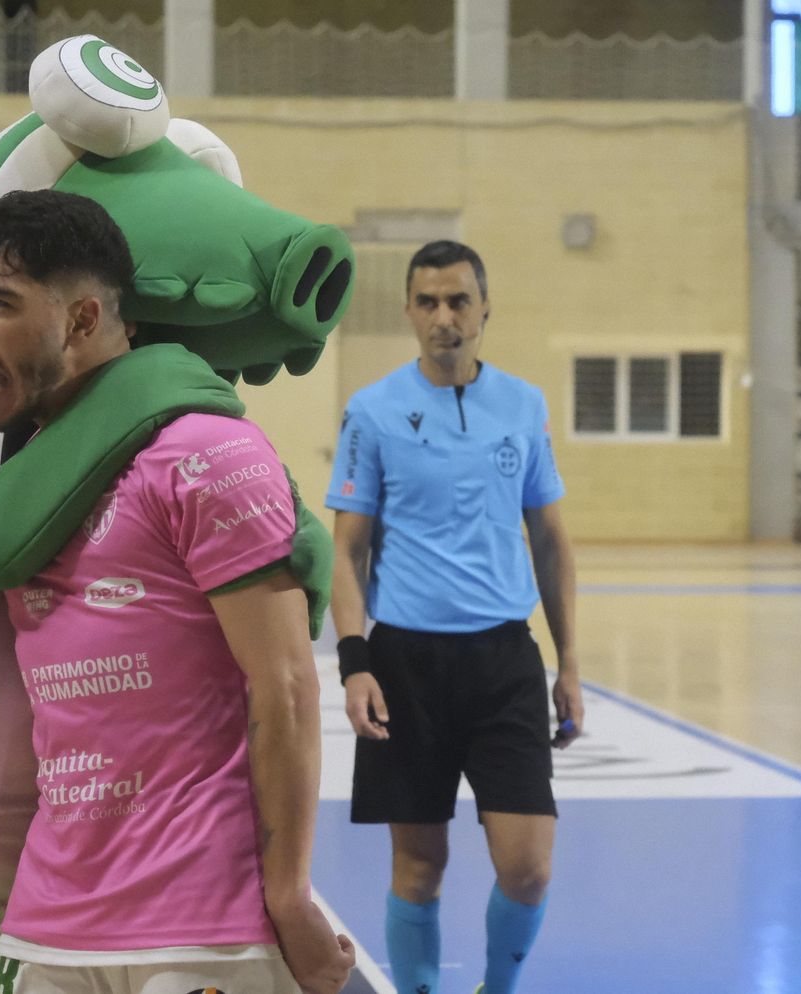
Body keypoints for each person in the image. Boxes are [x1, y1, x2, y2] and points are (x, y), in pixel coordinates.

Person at [0, 190, 354, 994]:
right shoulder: (22, 488)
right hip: (54, 921)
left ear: (84, 320)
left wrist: (290, 894)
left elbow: (288, 684)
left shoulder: (204, 452)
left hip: (205, 924)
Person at [324, 240, 584, 994]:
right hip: (407, 663)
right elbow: (347, 552)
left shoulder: (523, 406)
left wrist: (567, 664)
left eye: (459, 301)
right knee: (418, 865)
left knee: (529, 867)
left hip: (504, 660)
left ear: (485, 308)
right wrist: (355, 662)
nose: (445, 318)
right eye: (429, 302)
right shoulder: (371, 412)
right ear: (409, 310)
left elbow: (551, 540)